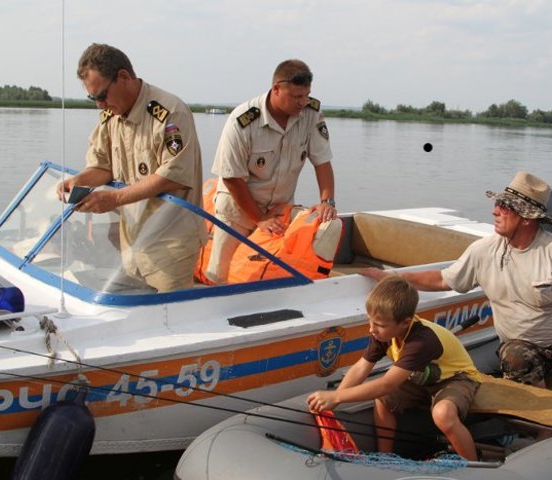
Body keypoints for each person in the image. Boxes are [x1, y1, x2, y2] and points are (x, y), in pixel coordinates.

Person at [363, 172, 552, 387]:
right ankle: (546, 422)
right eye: (498, 204)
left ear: (526, 217)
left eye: (504, 207)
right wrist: (393, 278)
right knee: (515, 356)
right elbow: (443, 280)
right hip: (524, 349)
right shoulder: (483, 251)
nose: (495, 210)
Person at [58, 43, 205, 292]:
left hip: (169, 245)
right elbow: (102, 166)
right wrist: (79, 181)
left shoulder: (170, 113)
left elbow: (173, 177)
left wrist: (114, 198)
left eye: (102, 95)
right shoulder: (110, 116)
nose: (99, 105)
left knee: (169, 321)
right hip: (130, 243)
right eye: (92, 98)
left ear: (123, 77)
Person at [307, 276, 482, 460]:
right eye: (370, 321)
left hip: (455, 378)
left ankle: (474, 467)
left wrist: (336, 395)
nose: (371, 329)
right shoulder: (383, 334)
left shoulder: (422, 341)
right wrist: (336, 400)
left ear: (405, 322)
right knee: (382, 400)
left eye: (380, 325)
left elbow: (387, 384)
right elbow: (361, 367)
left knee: (443, 414)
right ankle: (385, 458)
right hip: (421, 378)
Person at [205, 59, 336, 284]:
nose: (303, 102)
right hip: (238, 209)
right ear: (276, 89)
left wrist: (327, 202)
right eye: (297, 97)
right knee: (221, 276)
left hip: (278, 210)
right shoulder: (243, 120)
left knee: (270, 275)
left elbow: (322, 162)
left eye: (306, 95)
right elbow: (232, 177)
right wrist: (259, 218)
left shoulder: (311, 114)